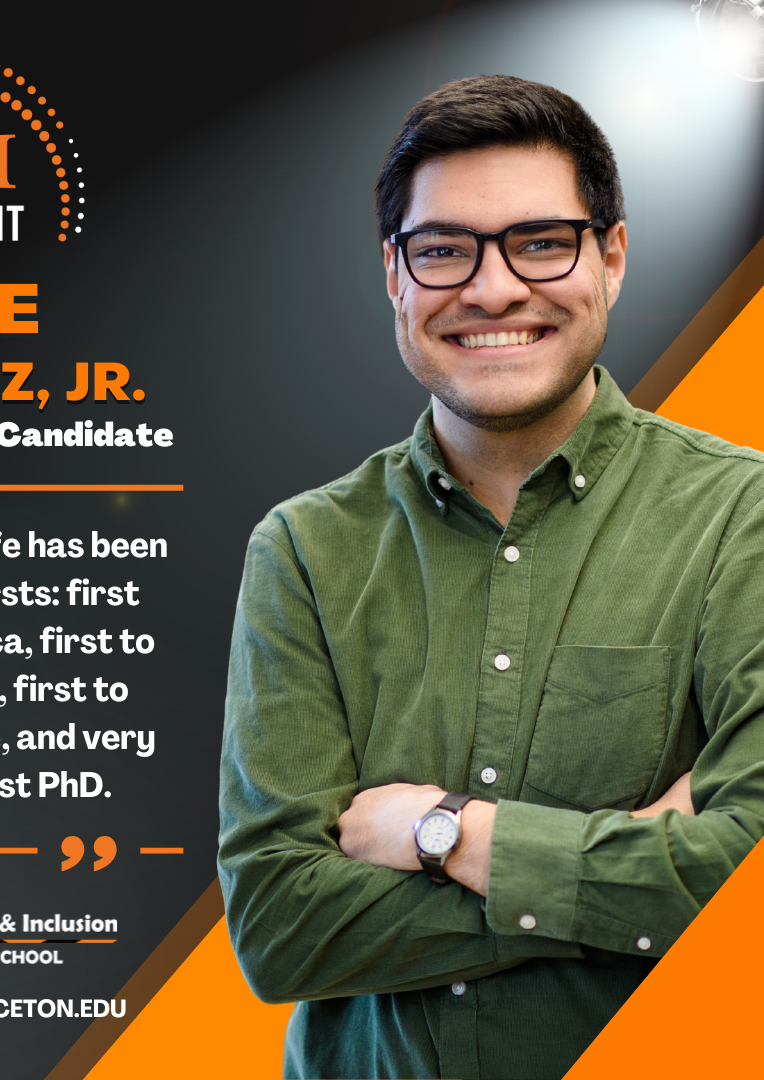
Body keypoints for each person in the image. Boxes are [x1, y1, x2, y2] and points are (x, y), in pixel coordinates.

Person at [218, 75, 764, 1080]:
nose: (494, 287)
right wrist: (625, 869)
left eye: (541, 241)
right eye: (443, 251)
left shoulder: (745, 520)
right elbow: (278, 927)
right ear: (395, 275)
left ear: (612, 257)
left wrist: (443, 835)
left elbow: (751, 899)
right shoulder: (301, 550)